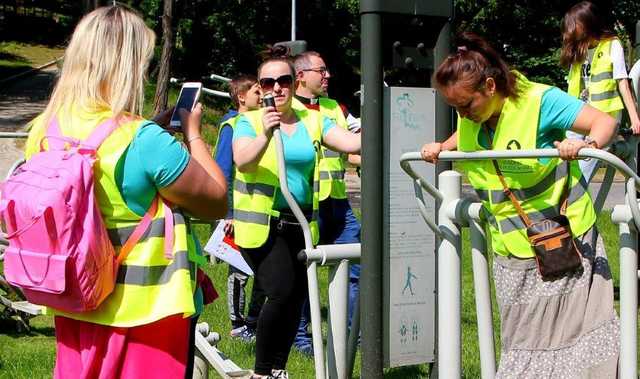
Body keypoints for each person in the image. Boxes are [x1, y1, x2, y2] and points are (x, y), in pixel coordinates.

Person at [23, 5, 227, 378]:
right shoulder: (142, 140)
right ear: (127, 64)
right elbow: (216, 200)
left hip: (75, 300)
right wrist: (193, 132)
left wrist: (151, 130)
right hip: (146, 312)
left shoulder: (46, 130)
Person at [420, 32, 620, 377]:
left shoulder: (541, 100)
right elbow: (470, 138)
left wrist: (584, 144)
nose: (462, 114)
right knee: (522, 345)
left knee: (576, 344)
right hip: (511, 249)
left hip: (565, 239)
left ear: (490, 87)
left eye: (466, 105)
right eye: (455, 108)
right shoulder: (473, 115)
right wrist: (443, 145)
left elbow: (605, 121)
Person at [231, 50, 361, 379]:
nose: (277, 87)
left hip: (301, 224)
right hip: (262, 226)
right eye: (268, 82)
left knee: (296, 298)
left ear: (293, 82)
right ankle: (261, 372)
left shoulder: (313, 119)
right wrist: (265, 133)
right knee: (280, 290)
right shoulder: (246, 122)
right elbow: (243, 160)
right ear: (260, 88)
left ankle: (278, 367)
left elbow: (348, 143)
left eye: (283, 80)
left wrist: (385, 121)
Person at [291, 51, 362, 355]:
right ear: (301, 76)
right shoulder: (288, 110)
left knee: (355, 264)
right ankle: (302, 339)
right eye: (321, 71)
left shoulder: (335, 108)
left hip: (338, 202)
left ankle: (354, 334)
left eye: (327, 70)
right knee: (303, 271)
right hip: (306, 204)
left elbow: (352, 151)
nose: (327, 76)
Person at [560, 1, 640, 181]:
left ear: (587, 23)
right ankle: (564, 201)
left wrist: (634, 118)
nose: (571, 31)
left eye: (575, 26)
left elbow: (623, 83)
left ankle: (573, 201)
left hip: (605, 116)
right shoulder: (578, 50)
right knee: (564, 158)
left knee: (585, 161)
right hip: (580, 114)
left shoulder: (612, 45)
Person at [214, 74, 266, 341]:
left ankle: (254, 322)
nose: (263, 96)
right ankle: (237, 324)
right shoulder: (232, 124)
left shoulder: (258, 123)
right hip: (236, 213)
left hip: (259, 210)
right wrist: (228, 213)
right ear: (241, 96)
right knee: (240, 268)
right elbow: (223, 170)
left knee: (262, 269)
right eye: (257, 92)